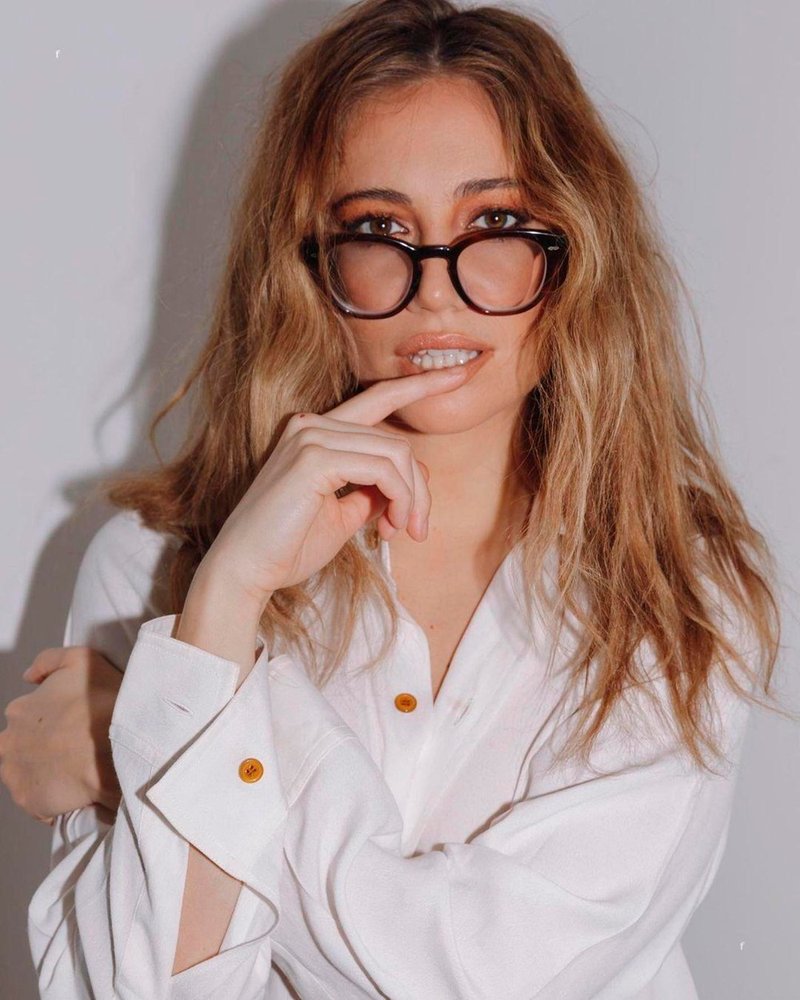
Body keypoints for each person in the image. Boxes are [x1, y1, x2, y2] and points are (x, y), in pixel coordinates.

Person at [0, 0, 787, 997]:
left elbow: (496, 981)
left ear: (574, 253)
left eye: (492, 224)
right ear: (309, 269)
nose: (435, 290)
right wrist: (224, 602)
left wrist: (157, 741)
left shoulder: (676, 588)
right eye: (379, 230)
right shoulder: (152, 568)